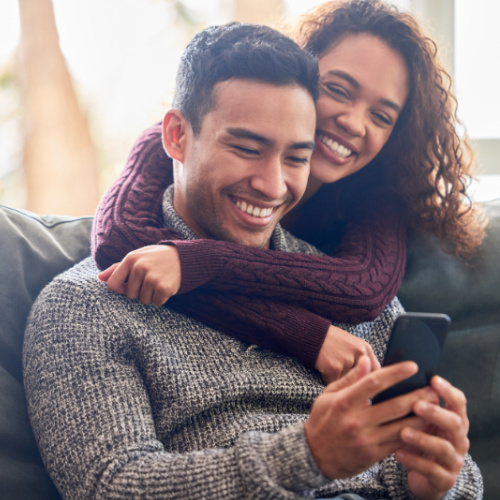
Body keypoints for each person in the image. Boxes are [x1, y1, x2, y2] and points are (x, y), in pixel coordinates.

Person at [23, 22, 482, 499]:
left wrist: (435, 482)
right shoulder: (83, 307)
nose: (272, 185)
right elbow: (112, 487)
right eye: (246, 149)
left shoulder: (356, 302)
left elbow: (464, 479)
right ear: (177, 136)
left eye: (296, 158)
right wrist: (307, 456)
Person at [92, 0, 486, 384]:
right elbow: (121, 245)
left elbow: (361, 291)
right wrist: (306, 335)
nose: (353, 122)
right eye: (338, 89)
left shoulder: (376, 197)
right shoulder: (171, 146)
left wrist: (196, 262)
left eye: (381, 116)